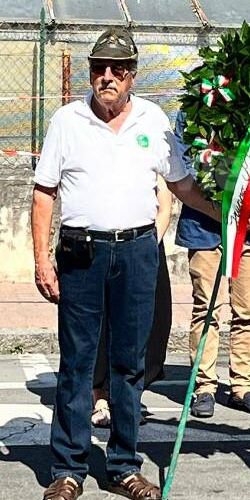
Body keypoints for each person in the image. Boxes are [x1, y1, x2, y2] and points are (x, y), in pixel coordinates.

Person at [32, 29, 221, 500]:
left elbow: (180, 185)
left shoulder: (154, 121)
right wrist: (40, 260)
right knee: (76, 363)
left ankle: (122, 465)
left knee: (129, 364)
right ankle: (69, 468)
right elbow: (44, 192)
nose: (107, 77)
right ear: (90, 72)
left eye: (117, 69)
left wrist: (228, 214)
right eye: (99, 68)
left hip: (137, 252)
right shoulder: (67, 121)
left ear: (133, 75)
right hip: (81, 254)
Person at [174, 112, 250, 419]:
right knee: (207, 309)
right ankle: (203, 387)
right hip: (205, 224)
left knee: (247, 311)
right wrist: (217, 201)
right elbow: (182, 160)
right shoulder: (200, 104)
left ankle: (241, 387)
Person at [90, 177, 173, 428]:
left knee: (152, 322)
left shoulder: (154, 142)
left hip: (145, 243)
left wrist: (146, 245)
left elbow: (165, 204)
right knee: (104, 320)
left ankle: (131, 396)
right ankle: (101, 396)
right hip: (104, 242)